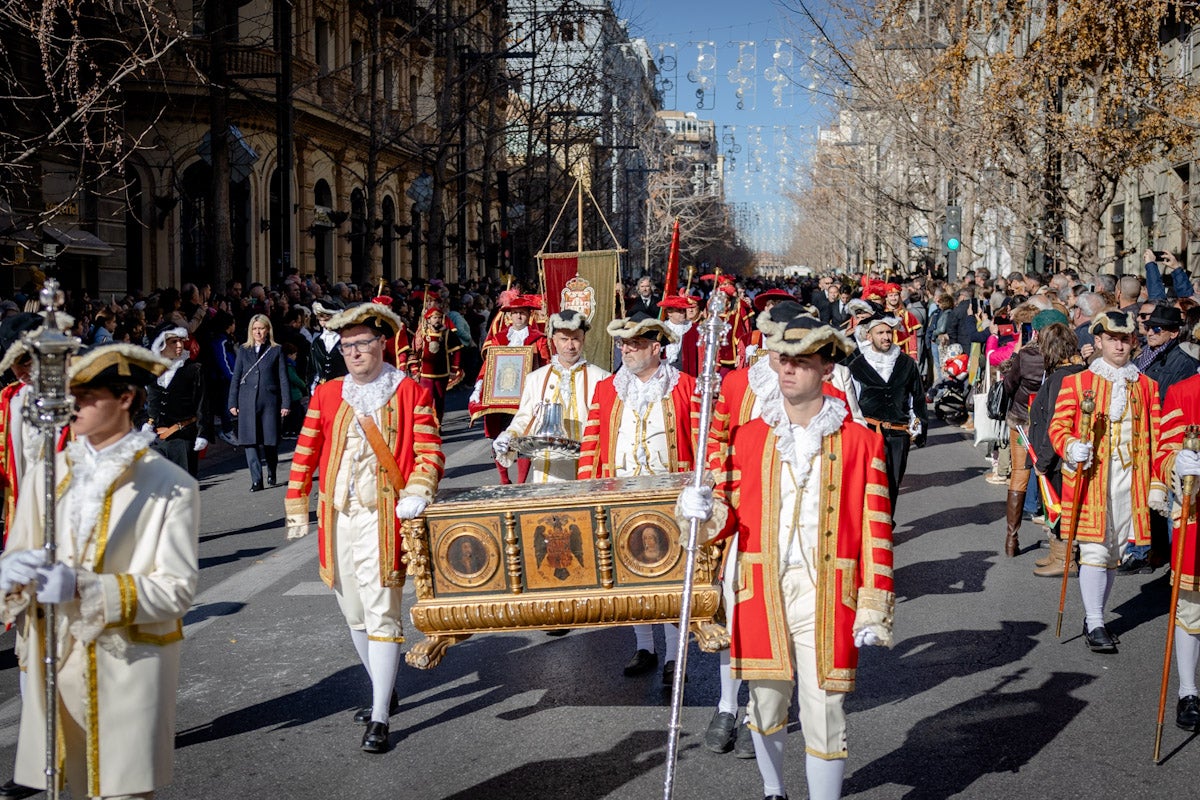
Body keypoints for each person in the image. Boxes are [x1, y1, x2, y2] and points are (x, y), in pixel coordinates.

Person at [678, 311, 894, 800]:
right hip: (762, 588)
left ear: (827, 369)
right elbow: (724, 521)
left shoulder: (862, 442)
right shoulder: (747, 437)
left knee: (825, 710)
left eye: (802, 361)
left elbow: (877, 529)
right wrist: (700, 508)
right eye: (785, 361)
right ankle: (774, 791)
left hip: (828, 593)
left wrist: (873, 602)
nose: (789, 369)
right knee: (765, 705)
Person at [0, 343, 200, 799]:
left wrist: (85, 588)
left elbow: (176, 591)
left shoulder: (171, 486)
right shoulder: (46, 475)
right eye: (69, 395)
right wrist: (12, 574)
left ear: (125, 398)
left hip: (126, 667)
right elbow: (18, 556)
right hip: (53, 666)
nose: (73, 406)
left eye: (86, 395)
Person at [285, 301, 443, 754]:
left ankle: (379, 716)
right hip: (338, 518)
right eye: (347, 345)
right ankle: (383, 682)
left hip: (383, 519)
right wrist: (297, 501)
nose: (354, 353)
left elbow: (430, 452)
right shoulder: (327, 394)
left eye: (363, 344)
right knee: (351, 610)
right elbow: (306, 449)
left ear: (382, 344)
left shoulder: (410, 391)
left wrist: (417, 490)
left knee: (381, 611)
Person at [578, 311, 698, 683]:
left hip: (671, 498)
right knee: (632, 576)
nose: (626, 350)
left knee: (672, 580)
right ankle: (644, 645)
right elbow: (592, 443)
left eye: (635, 344)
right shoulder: (607, 389)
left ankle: (674, 657)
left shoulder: (687, 386)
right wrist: (587, 491)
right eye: (623, 344)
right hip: (621, 497)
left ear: (656, 347)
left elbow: (703, 441)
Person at [1049, 310, 1162, 652]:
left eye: (1125, 339)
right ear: (1097, 342)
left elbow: (1156, 439)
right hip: (1092, 477)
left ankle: (1093, 615)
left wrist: (1157, 482)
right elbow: (1058, 427)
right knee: (1095, 548)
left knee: (1115, 550)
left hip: (1131, 478)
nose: (1119, 345)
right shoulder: (1077, 382)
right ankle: (1096, 622)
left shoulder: (1147, 386)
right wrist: (1070, 446)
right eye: (1112, 339)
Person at [1120, 302, 1200, 574]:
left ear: (1174, 333)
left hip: (1164, 433)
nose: (1150, 332)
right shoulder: (1146, 354)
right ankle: (1150, 550)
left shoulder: (1183, 362)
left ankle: (1168, 558)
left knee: (1167, 498)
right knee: (1145, 496)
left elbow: (1170, 400)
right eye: (1148, 327)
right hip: (1140, 431)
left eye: (1158, 328)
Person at [493, 309, 610, 483]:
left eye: (575, 339)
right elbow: (525, 419)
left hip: (590, 468)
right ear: (553, 340)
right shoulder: (535, 378)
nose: (570, 346)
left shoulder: (602, 378)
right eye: (564, 339)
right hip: (548, 470)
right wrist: (509, 435)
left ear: (583, 340)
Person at [1154, 347, 1200, 730]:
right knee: (1191, 610)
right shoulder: (1185, 392)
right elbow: (1163, 452)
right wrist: (1176, 462)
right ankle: (1189, 692)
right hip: (1198, 515)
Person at [846, 312, 928, 510]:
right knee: (867, 483)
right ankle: (870, 528)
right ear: (869, 336)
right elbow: (851, 401)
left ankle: (886, 523)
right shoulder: (857, 365)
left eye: (889, 332)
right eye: (880, 332)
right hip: (868, 432)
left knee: (892, 483)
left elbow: (916, 399)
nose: (886, 337)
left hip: (898, 433)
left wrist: (916, 427)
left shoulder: (906, 364)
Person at [1026, 320, 1086, 578]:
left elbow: (1055, 422)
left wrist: (1043, 461)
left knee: (1059, 507)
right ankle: (1056, 553)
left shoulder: (1062, 377)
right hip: (1059, 455)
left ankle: (1065, 560)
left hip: (1059, 457)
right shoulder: (1069, 372)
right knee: (1056, 509)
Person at [471, 294, 550, 484]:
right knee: (499, 437)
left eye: (522, 313)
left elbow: (546, 364)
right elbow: (489, 365)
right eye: (516, 314)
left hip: (527, 396)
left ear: (529, 316)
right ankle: (504, 479)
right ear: (509, 317)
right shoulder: (499, 339)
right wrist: (479, 385)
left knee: (524, 438)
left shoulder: (538, 339)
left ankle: (521, 481)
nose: (519, 317)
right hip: (501, 396)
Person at [999, 309, 1054, 556]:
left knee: (1020, 475)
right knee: (1052, 476)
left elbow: (1009, 384)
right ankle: (1058, 542)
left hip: (1023, 420)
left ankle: (1011, 539)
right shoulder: (1065, 357)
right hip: (1053, 423)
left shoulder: (1027, 355)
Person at [228, 313, 290, 492]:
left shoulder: (276, 350)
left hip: (269, 401)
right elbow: (236, 377)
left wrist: (285, 403)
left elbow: (283, 378)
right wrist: (232, 402)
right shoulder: (243, 350)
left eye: (261, 328)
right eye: (254, 329)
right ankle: (256, 480)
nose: (257, 332)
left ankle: (272, 470)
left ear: (267, 329)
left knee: (270, 442)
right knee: (250, 441)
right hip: (247, 401)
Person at [146, 326, 210, 478]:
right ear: (162, 344)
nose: (180, 345)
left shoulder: (193, 369)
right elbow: (150, 401)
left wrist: (203, 433)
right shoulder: (152, 371)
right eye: (174, 342)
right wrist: (147, 423)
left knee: (184, 489)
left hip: (183, 437)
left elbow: (202, 403)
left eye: (181, 341)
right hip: (158, 439)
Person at [407, 305, 463, 424]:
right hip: (425, 374)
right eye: (434, 317)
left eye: (439, 317)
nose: (437, 320)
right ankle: (426, 424)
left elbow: (457, 351)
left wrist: (454, 369)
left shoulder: (447, 334)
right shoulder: (421, 335)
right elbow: (414, 353)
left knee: (440, 400)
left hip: (442, 374)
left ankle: (438, 423)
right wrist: (415, 371)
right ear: (428, 319)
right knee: (426, 400)